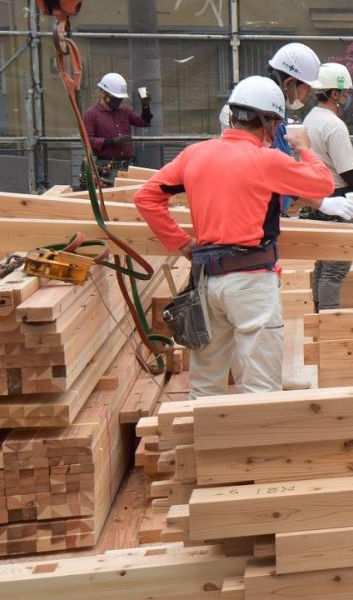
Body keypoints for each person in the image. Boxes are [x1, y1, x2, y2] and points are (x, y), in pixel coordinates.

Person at [134, 76, 335, 399]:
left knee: (205, 384)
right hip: (252, 284)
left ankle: (205, 446)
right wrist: (305, 150)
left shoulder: (194, 155)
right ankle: (255, 450)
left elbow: (146, 197)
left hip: (206, 282)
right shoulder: (268, 160)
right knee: (259, 389)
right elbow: (323, 186)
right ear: (269, 122)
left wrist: (182, 244)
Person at [303, 63, 353, 312]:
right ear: (334, 94)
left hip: (318, 198)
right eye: (345, 93)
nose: (347, 98)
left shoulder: (311, 118)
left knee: (323, 261)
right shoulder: (334, 125)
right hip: (338, 199)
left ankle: (318, 311)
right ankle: (329, 319)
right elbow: (347, 172)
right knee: (336, 266)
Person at [82, 72, 152, 187]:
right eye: (115, 98)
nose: (118, 101)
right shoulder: (91, 114)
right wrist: (113, 141)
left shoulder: (123, 112)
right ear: (103, 93)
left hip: (127, 165)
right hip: (107, 167)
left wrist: (146, 107)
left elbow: (144, 122)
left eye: (120, 99)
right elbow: (88, 140)